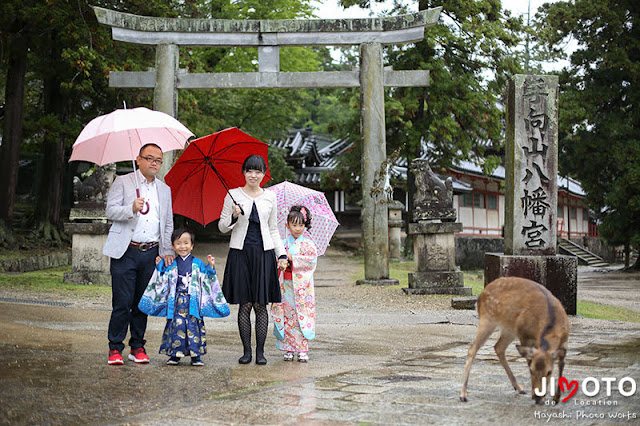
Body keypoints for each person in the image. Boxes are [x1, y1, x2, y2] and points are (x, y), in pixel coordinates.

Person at [103, 143, 175, 365]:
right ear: (139, 159)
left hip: (151, 253)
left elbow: (168, 223)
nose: (154, 163)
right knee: (122, 302)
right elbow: (110, 211)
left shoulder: (164, 190)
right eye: (150, 158)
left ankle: (137, 346)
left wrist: (166, 251)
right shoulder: (123, 182)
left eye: (158, 160)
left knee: (142, 303)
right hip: (126, 251)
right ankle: (115, 348)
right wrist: (131, 208)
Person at [218, 154, 288, 365]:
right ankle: (246, 351)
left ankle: (260, 352)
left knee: (260, 304)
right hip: (240, 254)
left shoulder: (270, 197)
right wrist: (233, 216)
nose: (253, 175)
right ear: (243, 173)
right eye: (249, 170)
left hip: (264, 254)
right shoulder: (232, 195)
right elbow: (222, 227)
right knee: (245, 304)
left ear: (264, 174)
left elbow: (274, 229)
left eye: (258, 171)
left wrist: (281, 254)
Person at [138, 228, 230, 366]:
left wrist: (210, 267)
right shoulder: (171, 263)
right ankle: (175, 355)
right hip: (176, 302)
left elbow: (207, 278)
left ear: (192, 245)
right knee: (176, 327)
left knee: (194, 327)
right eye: (179, 243)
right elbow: (162, 280)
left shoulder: (198, 263)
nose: (183, 247)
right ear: (173, 247)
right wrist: (159, 268)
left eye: (186, 243)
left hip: (192, 301)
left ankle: (196, 355)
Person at [271, 205, 318, 362]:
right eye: (294, 224)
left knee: (301, 317)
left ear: (305, 226)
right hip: (285, 284)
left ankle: (302, 349)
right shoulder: (282, 244)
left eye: (301, 225)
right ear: (287, 225)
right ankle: (288, 348)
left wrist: (293, 258)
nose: (298, 228)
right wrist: (281, 260)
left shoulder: (308, 245)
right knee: (286, 315)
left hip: (302, 287)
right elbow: (275, 260)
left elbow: (311, 261)